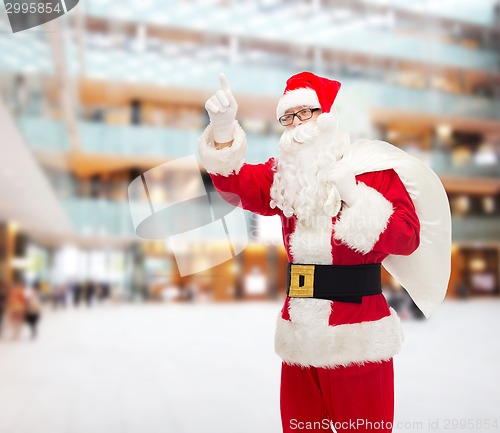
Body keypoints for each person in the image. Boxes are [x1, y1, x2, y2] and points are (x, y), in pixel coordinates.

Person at [198, 72, 451, 433]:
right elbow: (235, 185)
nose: (297, 125)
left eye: (306, 113)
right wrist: (223, 131)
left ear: (329, 114)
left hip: (358, 339)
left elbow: (407, 237)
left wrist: (357, 197)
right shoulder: (284, 177)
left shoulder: (372, 172)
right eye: (289, 117)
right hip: (299, 338)